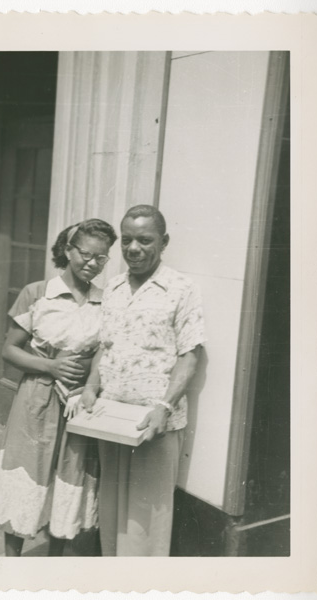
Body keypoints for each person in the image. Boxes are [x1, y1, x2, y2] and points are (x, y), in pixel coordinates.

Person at [80, 204, 206, 556]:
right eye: (127, 240)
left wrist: (164, 407)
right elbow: (105, 346)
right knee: (111, 507)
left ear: (164, 242)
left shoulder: (181, 288)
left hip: (153, 423)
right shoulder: (114, 287)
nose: (133, 248)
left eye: (145, 240)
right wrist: (90, 387)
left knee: (146, 518)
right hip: (110, 418)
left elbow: (190, 354)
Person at [0, 218, 117, 556]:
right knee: (25, 477)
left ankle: (53, 563)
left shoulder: (105, 301)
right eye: (85, 254)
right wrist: (51, 366)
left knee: (70, 478)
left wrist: (89, 387)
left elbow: (102, 351)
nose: (92, 263)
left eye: (101, 258)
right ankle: (11, 565)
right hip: (37, 399)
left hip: (78, 404)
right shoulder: (38, 293)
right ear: (68, 250)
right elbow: (9, 350)